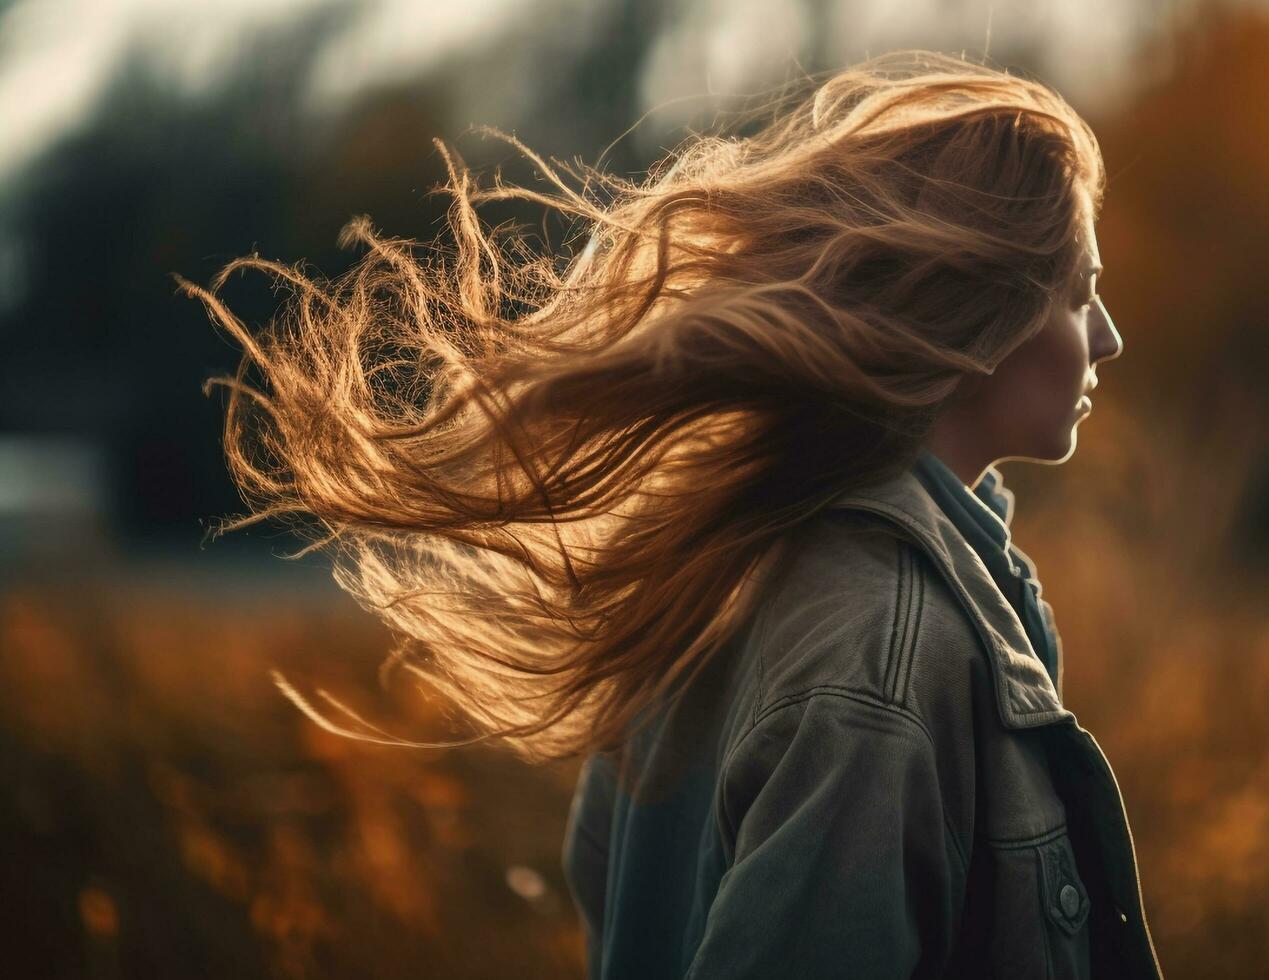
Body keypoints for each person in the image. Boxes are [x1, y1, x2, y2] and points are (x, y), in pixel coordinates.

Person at [182, 48, 1161, 980]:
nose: (1108, 339)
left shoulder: (719, 558)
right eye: (1080, 296)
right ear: (972, 314)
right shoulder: (886, 654)